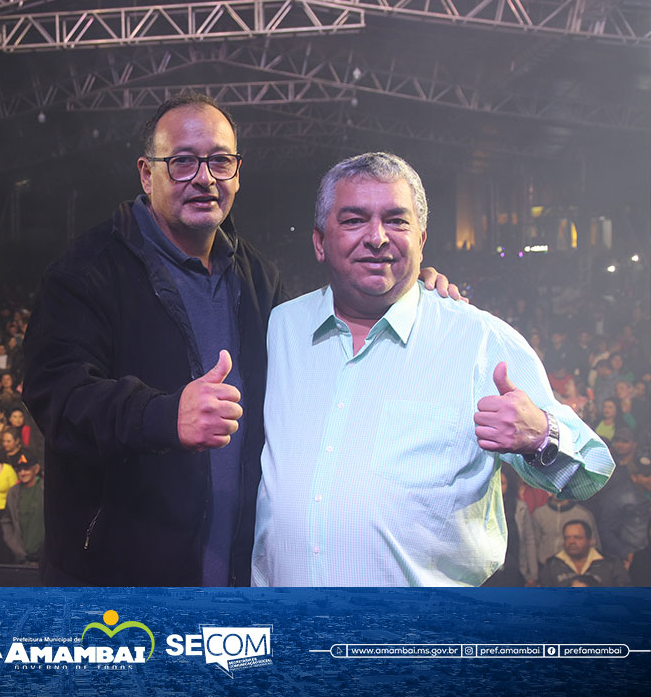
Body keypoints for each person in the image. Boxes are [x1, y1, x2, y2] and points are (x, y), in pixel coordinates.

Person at [23, 96, 463, 587]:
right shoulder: (85, 272)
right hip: (119, 588)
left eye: (220, 161)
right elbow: (58, 399)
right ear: (147, 175)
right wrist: (164, 416)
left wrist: (410, 292)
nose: (205, 178)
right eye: (183, 161)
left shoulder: (257, 278)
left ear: (236, 172)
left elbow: (322, 351)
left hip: (237, 581)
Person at [251, 152, 613, 587]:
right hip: (286, 637)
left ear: (421, 238)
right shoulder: (280, 328)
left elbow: (591, 470)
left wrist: (541, 437)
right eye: (353, 220)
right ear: (319, 241)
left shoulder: (480, 340)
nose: (377, 237)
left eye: (397, 221)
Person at [539, 520, 630, 587]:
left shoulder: (611, 564)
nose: (572, 542)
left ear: (590, 540)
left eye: (577, 537)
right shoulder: (552, 565)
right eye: (567, 538)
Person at [1, 454, 44, 564]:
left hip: (45, 554)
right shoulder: (13, 493)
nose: (22, 473)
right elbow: (7, 521)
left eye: (26, 469)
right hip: (21, 556)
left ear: (36, 469)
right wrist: (14, 545)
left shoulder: (46, 489)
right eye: (19, 470)